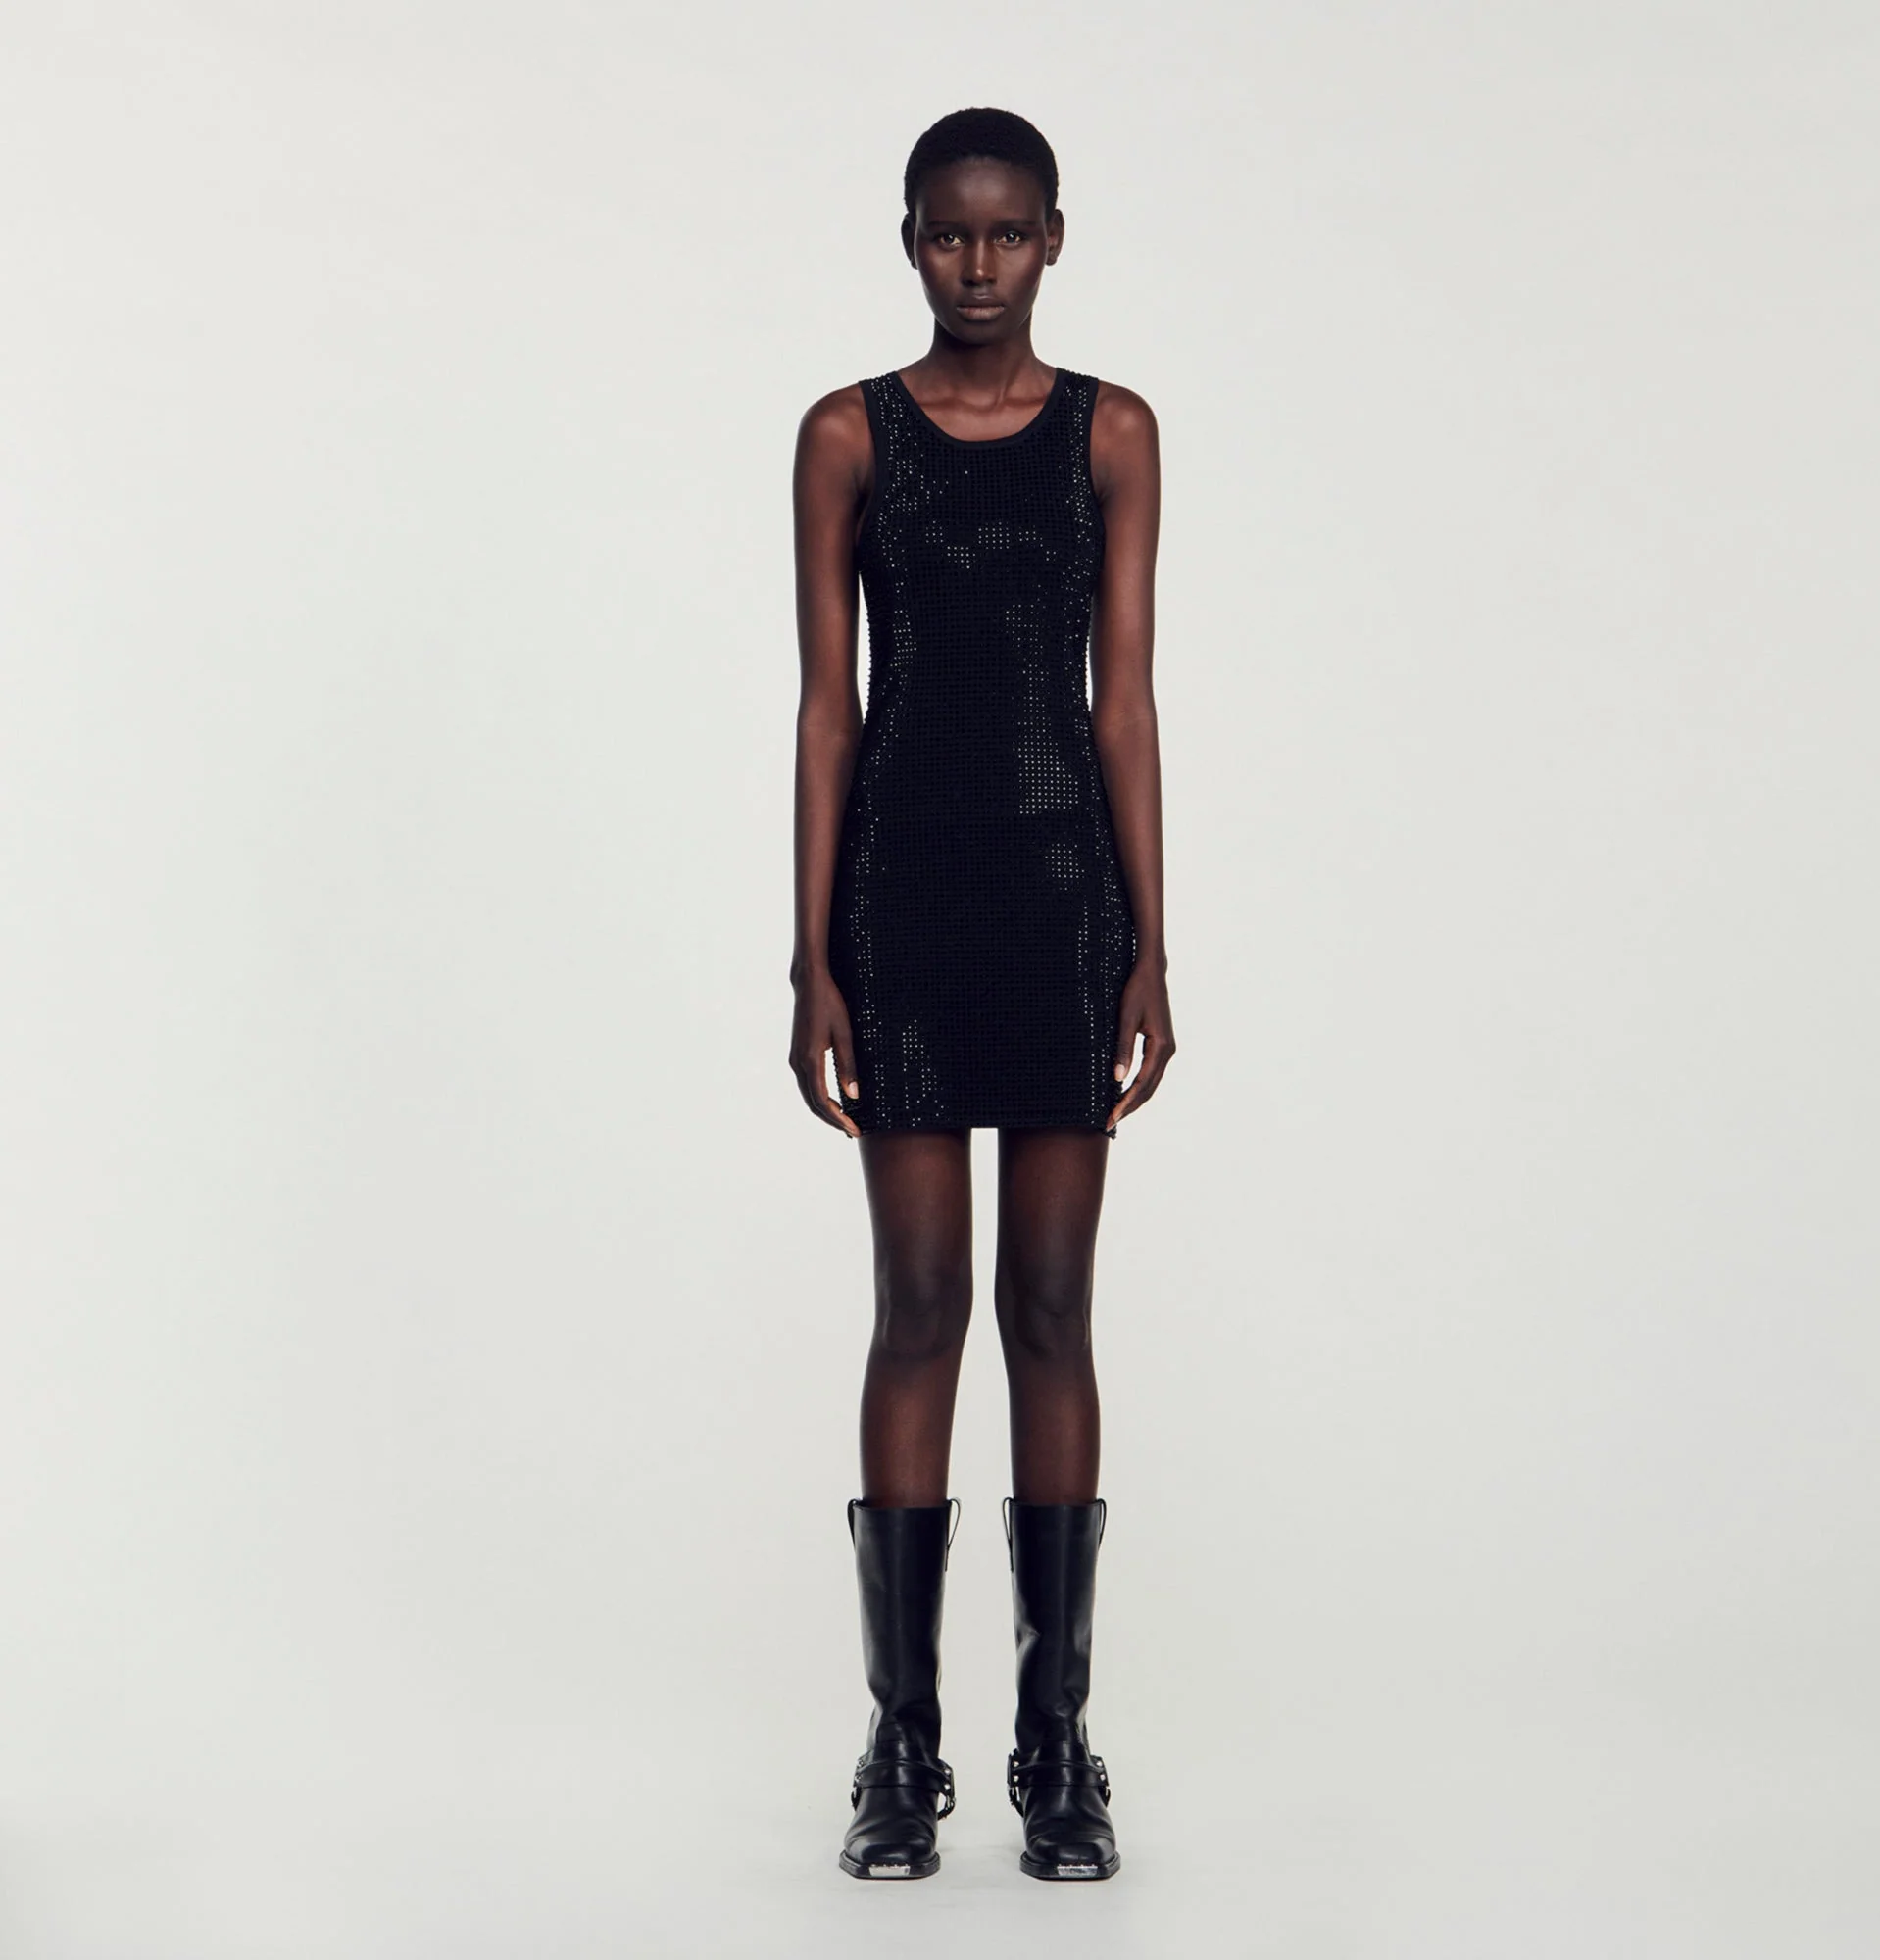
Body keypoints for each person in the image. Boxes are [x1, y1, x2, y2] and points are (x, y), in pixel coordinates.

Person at [788, 106, 1174, 1884]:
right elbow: (829, 708)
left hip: (1061, 896)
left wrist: (1151, 940)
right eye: (949, 234)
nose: (979, 265)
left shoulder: (1113, 433)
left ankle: (1057, 1746)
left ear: (1055, 239)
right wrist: (812, 952)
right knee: (921, 1302)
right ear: (909, 241)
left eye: (1009, 233)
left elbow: (1122, 701)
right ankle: (902, 1748)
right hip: (904, 902)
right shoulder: (846, 436)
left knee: (1051, 1307)